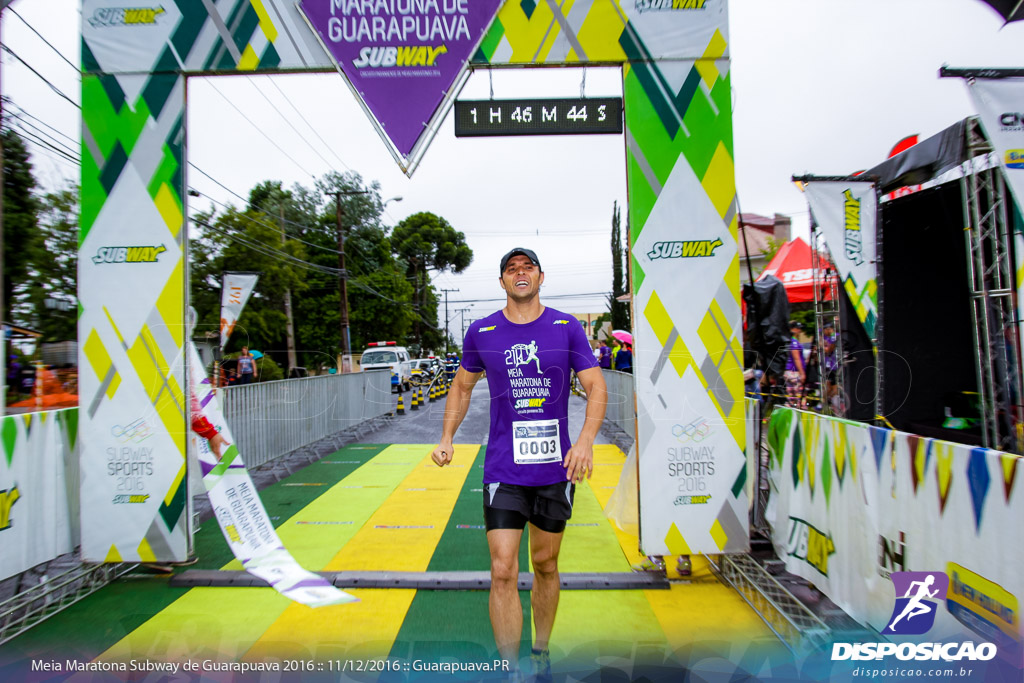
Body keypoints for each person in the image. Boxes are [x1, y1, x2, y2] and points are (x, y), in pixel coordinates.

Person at [432, 247, 607, 682]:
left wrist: (585, 442)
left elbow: (596, 386)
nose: (520, 273)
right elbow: (460, 385)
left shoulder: (566, 328)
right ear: (503, 283)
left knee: (546, 564)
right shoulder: (483, 331)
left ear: (541, 277)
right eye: (511, 269)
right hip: (504, 471)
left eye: (527, 267)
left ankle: (541, 651)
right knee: (503, 568)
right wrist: (446, 438)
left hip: (555, 471)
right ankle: (510, 670)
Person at [785, 321, 806, 407]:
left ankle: (789, 416)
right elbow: (796, 358)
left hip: (788, 371)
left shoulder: (788, 341)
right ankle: (801, 417)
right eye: (797, 328)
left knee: (791, 399)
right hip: (794, 372)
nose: (799, 330)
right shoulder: (794, 342)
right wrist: (802, 373)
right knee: (800, 398)